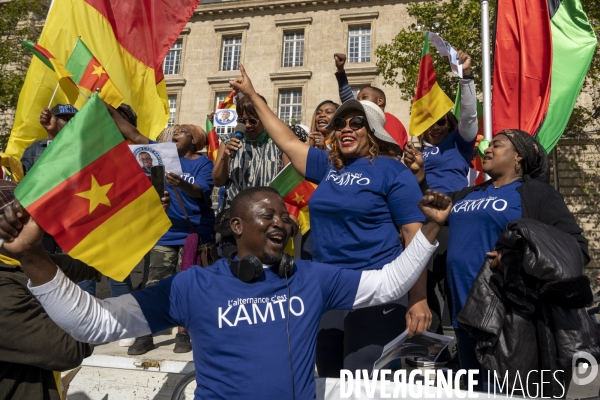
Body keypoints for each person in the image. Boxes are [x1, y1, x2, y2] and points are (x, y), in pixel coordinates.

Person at [0, 185, 451, 400]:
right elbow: (93, 322)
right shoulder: (193, 285)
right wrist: (35, 258)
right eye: (266, 214)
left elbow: (390, 283)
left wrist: (431, 227)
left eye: (283, 215)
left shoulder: (312, 276)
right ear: (236, 228)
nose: (280, 220)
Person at [229, 64, 431, 375]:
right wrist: (253, 96)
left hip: (376, 289)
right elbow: (287, 141)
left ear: (373, 130)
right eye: (340, 124)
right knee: (329, 375)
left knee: (365, 381)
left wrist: (418, 298)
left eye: (356, 123)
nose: (345, 129)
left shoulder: (394, 171)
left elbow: (414, 236)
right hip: (327, 290)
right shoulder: (328, 166)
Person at [415, 129, 589, 390]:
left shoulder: (535, 194)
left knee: (504, 393)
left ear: (519, 156)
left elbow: (576, 248)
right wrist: (420, 180)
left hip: (507, 320)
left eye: (497, 145)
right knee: (474, 393)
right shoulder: (465, 195)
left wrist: (515, 259)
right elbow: (433, 212)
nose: (488, 149)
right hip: (464, 317)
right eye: (489, 145)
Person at [106, 108, 216, 355]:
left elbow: (200, 191)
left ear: (196, 141)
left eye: (183, 132)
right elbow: (132, 134)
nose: (176, 133)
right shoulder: (162, 154)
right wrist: (106, 106)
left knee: (188, 283)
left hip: (193, 234)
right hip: (165, 232)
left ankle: (184, 333)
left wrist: (183, 184)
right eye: (175, 131)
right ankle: (146, 334)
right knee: (155, 283)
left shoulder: (203, 163)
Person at [0, 180, 94, 400]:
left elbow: (75, 265)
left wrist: (138, 226)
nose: (39, 225)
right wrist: (120, 319)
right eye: (27, 219)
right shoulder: (3, 292)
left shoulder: (10, 264)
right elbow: (70, 349)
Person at [212, 94, 288, 257]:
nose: (247, 125)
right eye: (242, 120)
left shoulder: (278, 141)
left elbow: (290, 180)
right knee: (235, 269)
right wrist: (226, 156)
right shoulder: (228, 140)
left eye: (253, 120)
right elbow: (218, 180)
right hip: (237, 221)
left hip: (269, 221)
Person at [404, 50, 478, 195]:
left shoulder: (458, 143)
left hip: (452, 205)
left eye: (440, 122)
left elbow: (469, 116)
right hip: (421, 207)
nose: (435, 127)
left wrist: (466, 76)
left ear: (449, 124)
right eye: (429, 123)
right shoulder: (416, 152)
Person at [334, 53, 408, 151]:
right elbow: (348, 100)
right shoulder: (366, 118)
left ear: (380, 100)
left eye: (364, 97)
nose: (359, 101)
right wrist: (340, 70)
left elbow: (394, 152)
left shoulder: (390, 121)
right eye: (357, 99)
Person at [20, 104, 78, 173]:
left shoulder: (82, 148)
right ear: (52, 120)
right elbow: (20, 179)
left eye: (75, 119)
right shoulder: (35, 149)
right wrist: (53, 135)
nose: (71, 122)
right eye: (65, 119)